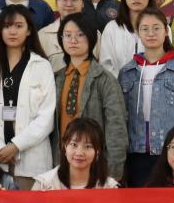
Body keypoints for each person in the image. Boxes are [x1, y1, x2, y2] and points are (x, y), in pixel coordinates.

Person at [0, 6, 56, 190]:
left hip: (32, 163)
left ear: (29, 30)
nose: (12, 31)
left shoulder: (41, 66)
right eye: (7, 26)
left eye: (19, 26)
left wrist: (16, 146)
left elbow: (46, 117)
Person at [118, 8, 174, 187]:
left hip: (170, 153)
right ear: (138, 33)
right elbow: (120, 117)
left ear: (166, 31)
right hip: (136, 152)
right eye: (145, 29)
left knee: (170, 202)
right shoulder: (127, 72)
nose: (151, 33)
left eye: (156, 28)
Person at [54, 12, 128, 178]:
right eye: (67, 35)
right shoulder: (56, 78)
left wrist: (112, 176)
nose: (73, 40)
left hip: (96, 166)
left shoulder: (105, 79)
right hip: (61, 164)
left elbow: (117, 131)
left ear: (91, 38)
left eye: (80, 35)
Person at [31, 117, 120, 190]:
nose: (79, 153)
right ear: (65, 147)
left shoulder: (108, 187)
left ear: (98, 151)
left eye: (88, 146)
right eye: (74, 145)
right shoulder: (44, 184)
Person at [99, 0, 155, 77]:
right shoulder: (112, 28)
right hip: (117, 86)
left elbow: (165, 63)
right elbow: (106, 66)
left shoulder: (161, 28)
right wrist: (124, 83)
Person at [38, 0, 86, 73]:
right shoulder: (42, 35)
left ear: (83, 3)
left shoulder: (94, 34)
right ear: (56, 2)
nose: (69, 4)